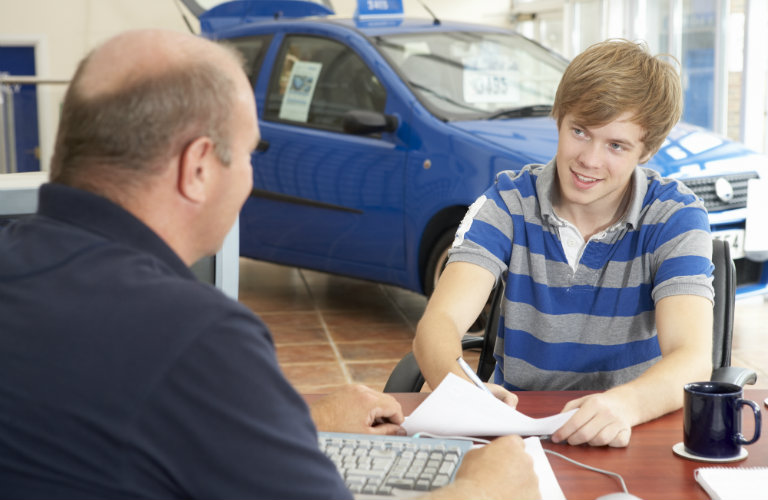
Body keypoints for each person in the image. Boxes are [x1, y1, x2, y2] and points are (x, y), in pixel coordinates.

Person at [0, 29, 540, 499]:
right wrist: (485, 489)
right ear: (198, 167)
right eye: (251, 152)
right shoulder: (194, 335)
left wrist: (295, 425)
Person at [413, 39, 714, 448]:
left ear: (648, 150)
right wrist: (466, 390)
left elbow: (691, 357)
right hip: (518, 429)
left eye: (616, 145)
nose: (589, 159)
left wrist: (623, 405)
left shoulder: (676, 216)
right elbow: (439, 324)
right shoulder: (507, 201)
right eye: (580, 131)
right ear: (558, 118)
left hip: (631, 426)